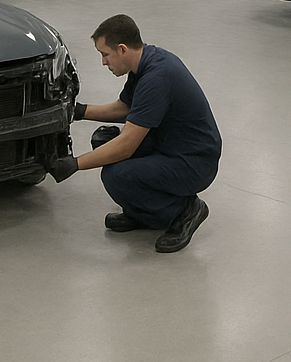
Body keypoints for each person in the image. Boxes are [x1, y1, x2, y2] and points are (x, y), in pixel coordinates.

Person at [47, 14, 221, 254]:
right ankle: (143, 212)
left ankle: (185, 210)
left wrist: (74, 164)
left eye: (105, 54)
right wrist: (79, 111)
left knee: (117, 176)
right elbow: (126, 108)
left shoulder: (156, 78)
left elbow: (126, 146)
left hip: (193, 162)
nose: (103, 62)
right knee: (103, 139)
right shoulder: (144, 64)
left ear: (122, 49)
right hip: (170, 144)